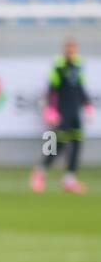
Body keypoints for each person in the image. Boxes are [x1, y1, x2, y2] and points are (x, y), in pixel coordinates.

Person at [31, 39, 92, 194]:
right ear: (65, 50)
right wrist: (50, 109)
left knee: (77, 142)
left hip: (74, 111)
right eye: (69, 49)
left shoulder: (78, 65)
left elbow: (80, 87)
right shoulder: (58, 66)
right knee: (57, 144)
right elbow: (52, 88)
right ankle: (40, 171)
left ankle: (69, 180)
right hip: (61, 111)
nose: (72, 51)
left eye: (74, 49)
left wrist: (87, 105)